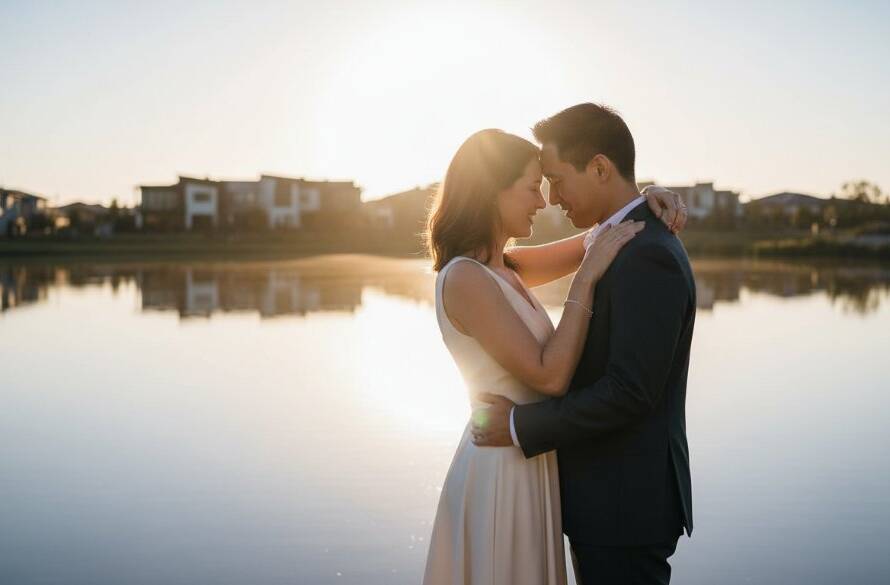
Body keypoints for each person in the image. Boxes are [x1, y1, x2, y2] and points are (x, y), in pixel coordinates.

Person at [422, 120, 689, 584]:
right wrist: (584, 280)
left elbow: (602, 234)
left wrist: (645, 197)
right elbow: (549, 376)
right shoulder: (466, 278)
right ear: (492, 193)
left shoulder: (505, 269)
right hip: (500, 465)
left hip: (532, 459)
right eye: (532, 187)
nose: (543, 200)